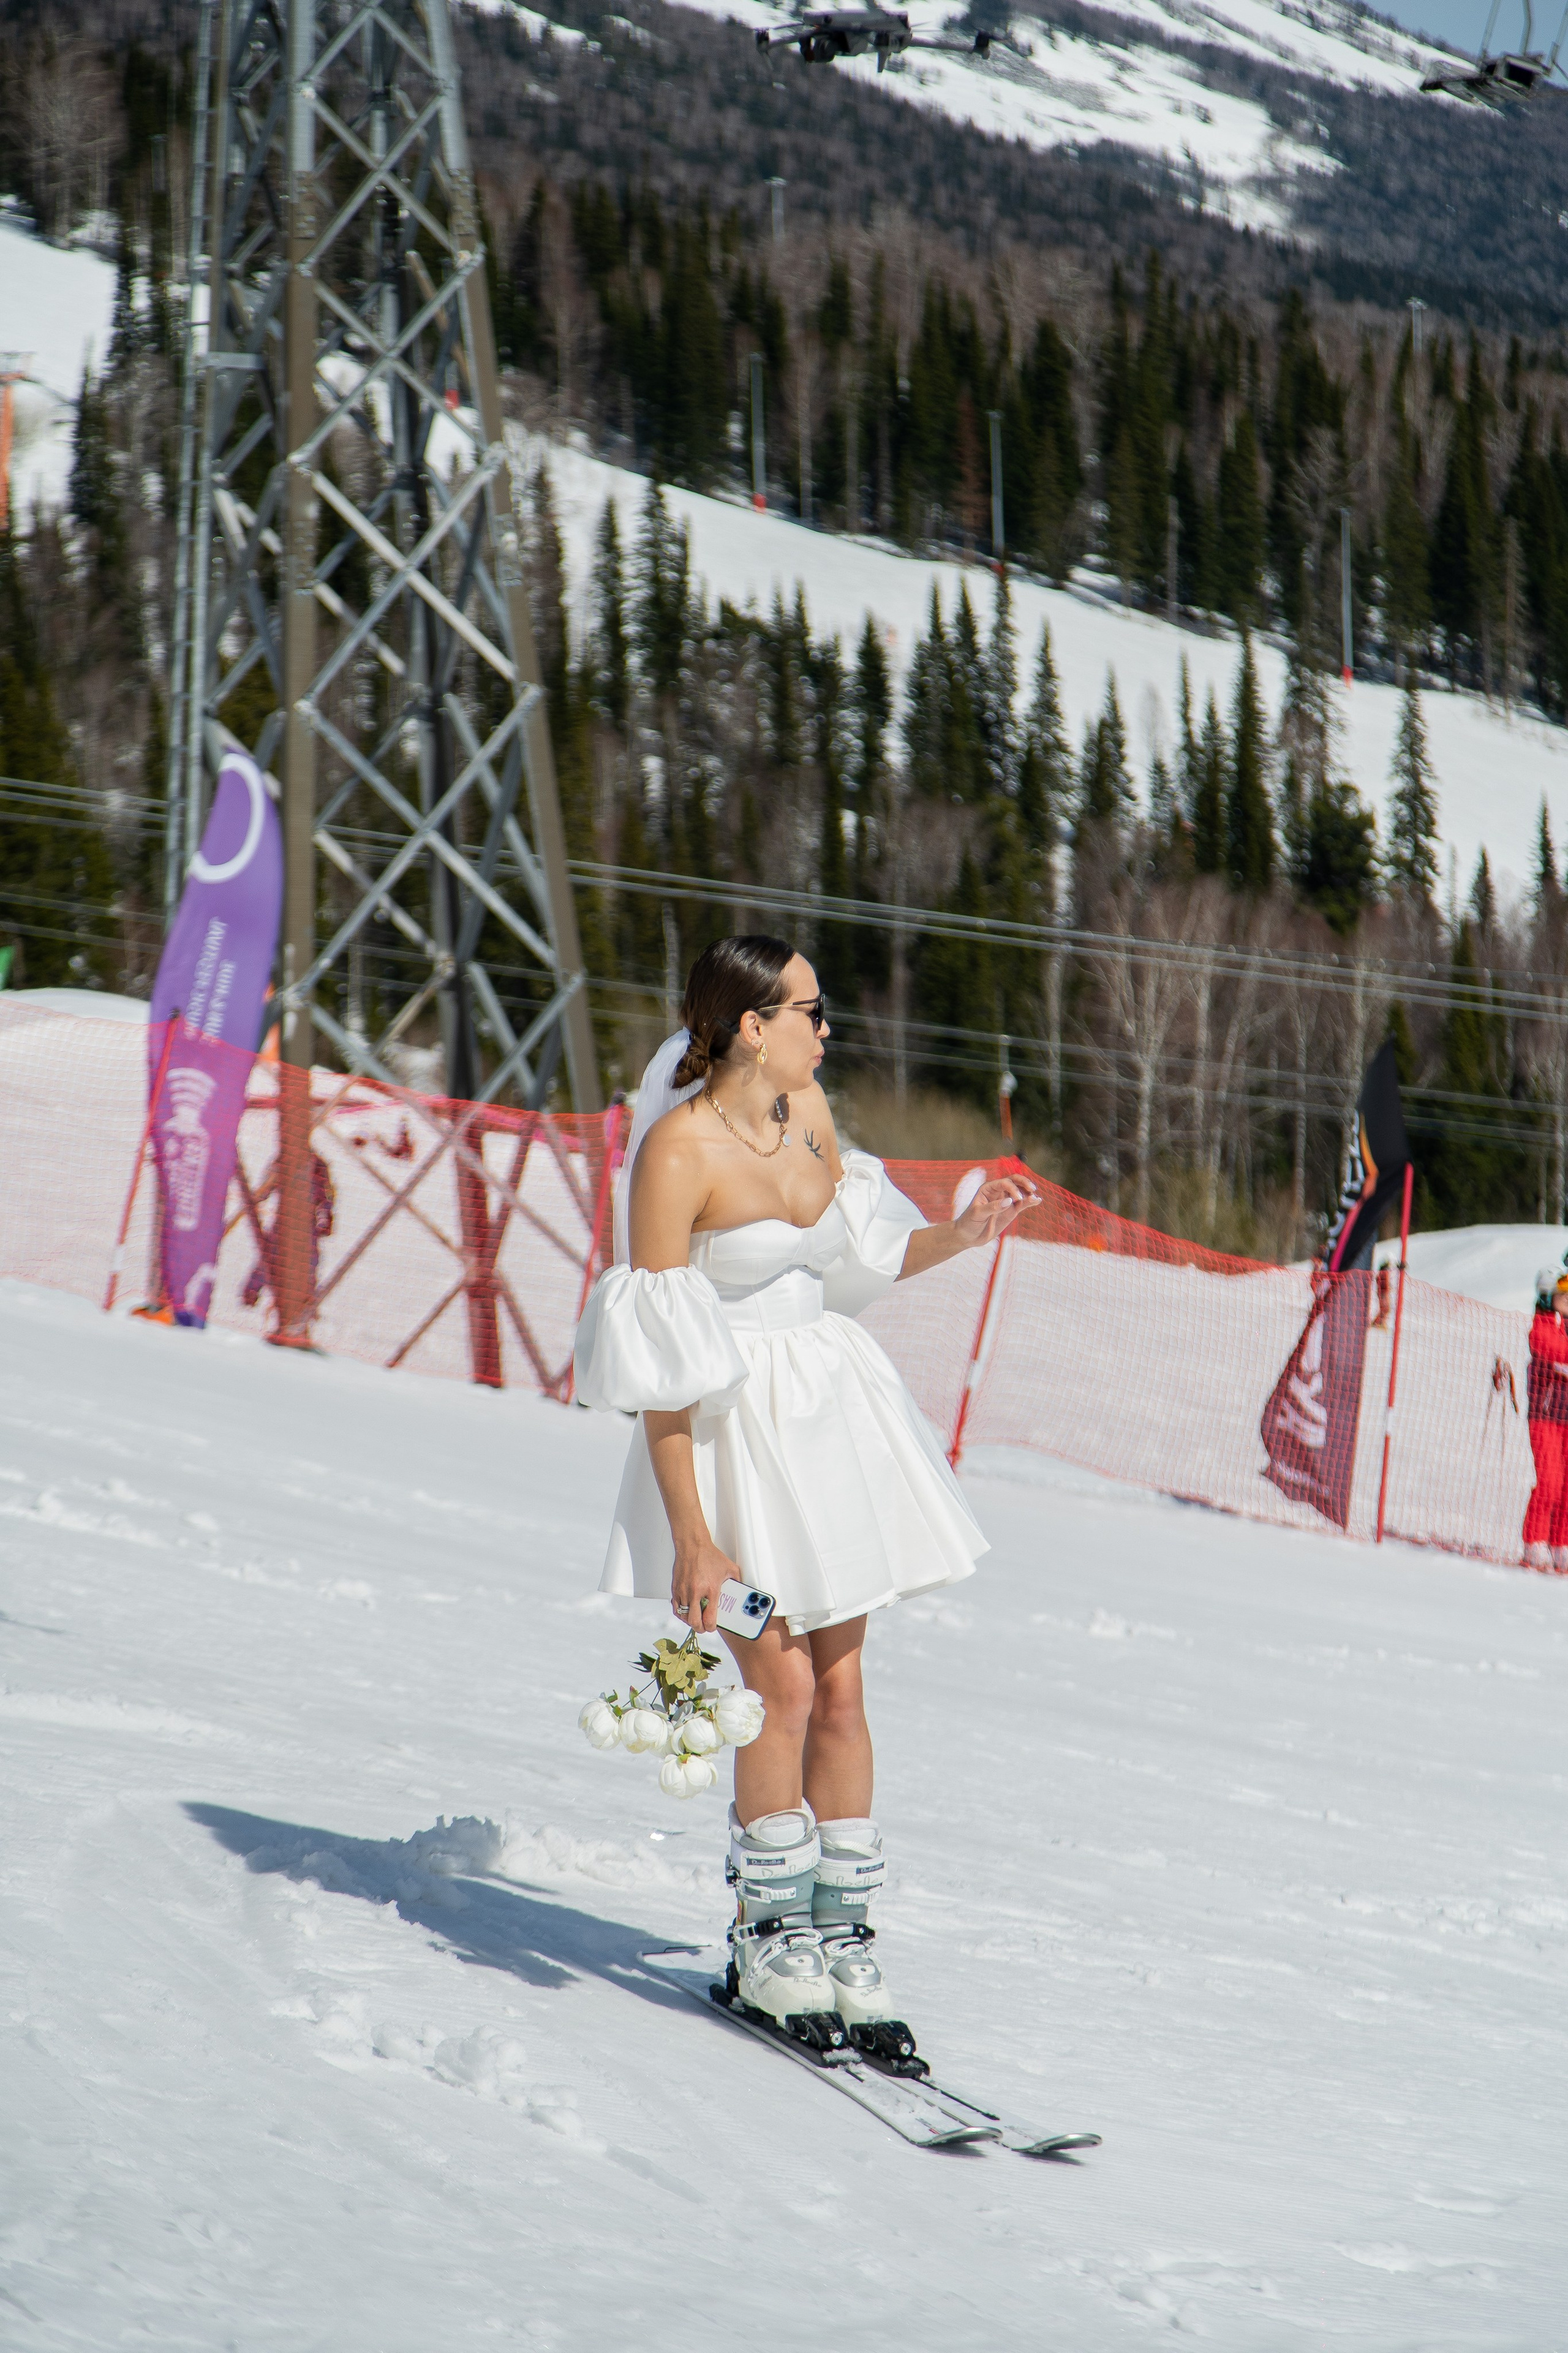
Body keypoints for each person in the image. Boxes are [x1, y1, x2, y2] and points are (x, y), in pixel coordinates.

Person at [573, 935, 1036, 2057]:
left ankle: (842, 1938)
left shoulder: (812, 1113)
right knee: (772, 1687)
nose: (826, 1032)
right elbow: (658, 1372)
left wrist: (960, 1237)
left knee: (839, 1688)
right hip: (729, 1437)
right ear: (750, 1025)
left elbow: (855, 1263)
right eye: (812, 1014)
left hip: (831, 1419)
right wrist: (692, 1536)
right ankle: (769, 1939)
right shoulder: (676, 1156)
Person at [1523, 1267, 1568, 1572]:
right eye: (1563, 1294)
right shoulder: (1541, 1328)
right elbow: (1554, 1351)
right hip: (1546, 1416)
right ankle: (1534, 1540)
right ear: (1548, 1295)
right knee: (1550, 1482)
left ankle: (1560, 1543)